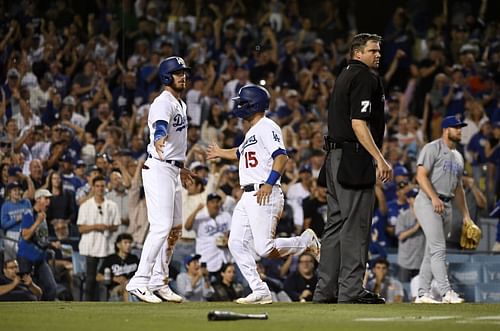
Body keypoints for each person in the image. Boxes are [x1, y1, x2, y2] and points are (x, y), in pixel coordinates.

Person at [207, 84, 320, 304]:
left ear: (253, 104)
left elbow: (281, 156)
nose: (239, 106)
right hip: (248, 196)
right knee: (236, 243)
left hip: (264, 192)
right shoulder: (251, 131)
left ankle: (305, 241)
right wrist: (220, 152)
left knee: (264, 248)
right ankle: (260, 290)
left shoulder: (268, 126)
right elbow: (240, 153)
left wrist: (269, 183)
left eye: (242, 102)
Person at [313, 33, 392, 304]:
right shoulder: (365, 77)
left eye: (379, 50)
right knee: (355, 227)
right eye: (373, 50)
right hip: (353, 160)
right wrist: (380, 158)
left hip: (334, 157)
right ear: (358, 53)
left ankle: (325, 291)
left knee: (334, 225)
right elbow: (359, 123)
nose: (378, 55)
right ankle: (350, 291)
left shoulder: (345, 73)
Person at [126, 56, 194, 304]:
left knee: (175, 228)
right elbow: (160, 128)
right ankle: (139, 280)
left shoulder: (181, 104)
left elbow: (176, 141)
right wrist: (158, 139)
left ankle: (158, 281)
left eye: (184, 72)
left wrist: (182, 167)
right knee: (161, 226)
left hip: (172, 169)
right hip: (158, 169)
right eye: (178, 73)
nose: (183, 76)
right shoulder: (162, 102)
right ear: (167, 77)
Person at [414, 116, 477, 304]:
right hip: (428, 201)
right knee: (439, 249)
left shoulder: (458, 156)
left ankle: (422, 294)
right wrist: (433, 197)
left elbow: (458, 189)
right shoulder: (432, 148)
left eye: (460, 127)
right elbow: (420, 176)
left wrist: (466, 215)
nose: (459, 130)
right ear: (445, 129)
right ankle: (446, 292)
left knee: (431, 251)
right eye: (455, 127)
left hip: (447, 204)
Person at [77, 175, 121, 301]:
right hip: (90, 247)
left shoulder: (112, 205)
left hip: (107, 247)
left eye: (102, 186)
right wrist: (96, 226)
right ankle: (87, 304)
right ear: (93, 188)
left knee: (106, 279)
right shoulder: (85, 206)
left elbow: (116, 225)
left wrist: (107, 227)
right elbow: (80, 228)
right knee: (90, 278)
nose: (100, 189)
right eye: (97, 186)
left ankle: (105, 303)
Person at [17, 189, 57, 301]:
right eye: (46, 198)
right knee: (28, 291)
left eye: (49, 199)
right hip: (26, 257)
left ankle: (47, 314)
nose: (48, 201)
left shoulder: (43, 216)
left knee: (51, 288)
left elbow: (41, 239)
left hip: (39, 258)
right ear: (38, 199)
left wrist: (51, 244)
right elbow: (25, 235)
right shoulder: (29, 214)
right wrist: (37, 222)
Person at [184, 192, 231, 280]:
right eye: (212, 202)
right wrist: (196, 210)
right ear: (207, 204)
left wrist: (228, 240)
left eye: (217, 202)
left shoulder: (226, 216)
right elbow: (187, 227)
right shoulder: (200, 217)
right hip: (206, 259)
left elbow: (230, 233)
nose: (216, 204)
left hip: (224, 258)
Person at [96, 233, 139, 302]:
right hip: (116, 287)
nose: (128, 245)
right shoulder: (111, 259)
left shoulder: (134, 258)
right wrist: (114, 278)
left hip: (133, 285)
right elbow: (98, 277)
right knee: (126, 288)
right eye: (125, 243)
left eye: (130, 243)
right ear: (118, 245)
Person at [395, 188, 425, 282]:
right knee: (404, 290)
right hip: (405, 261)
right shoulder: (403, 216)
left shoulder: (427, 216)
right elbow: (401, 236)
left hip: (421, 261)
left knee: (420, 292)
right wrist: (416, 227)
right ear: (408, 200)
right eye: (414, 197)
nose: (417, 199)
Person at [1, 182, 32, 260]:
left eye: (19, 190)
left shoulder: (26, 202)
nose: (17, 192)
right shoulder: (5, 206)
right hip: (11, 235)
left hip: (25, 234)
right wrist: (16, 219)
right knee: (11, 261)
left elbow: (32, 218)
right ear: (9, 193)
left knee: (25, 260)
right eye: (15, 190)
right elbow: (3, 224)